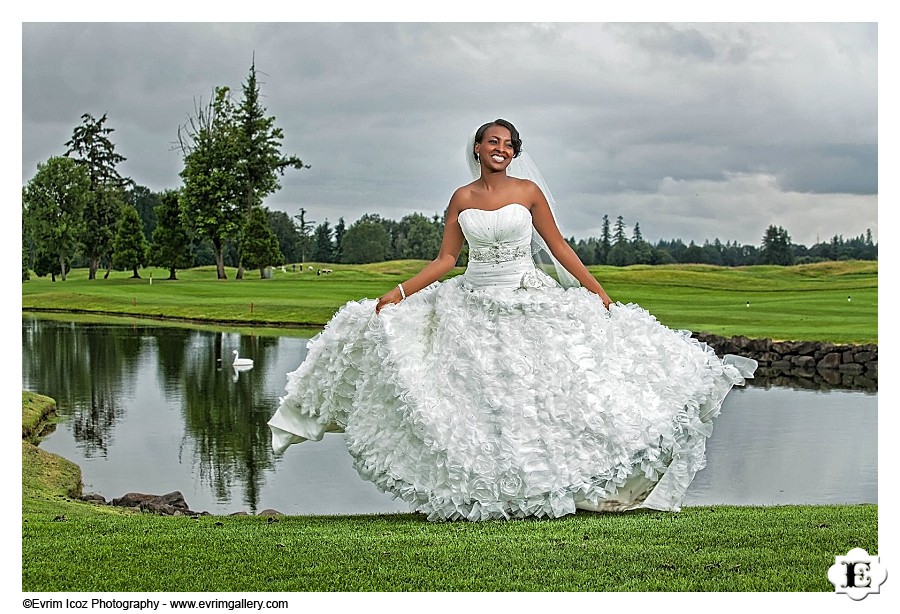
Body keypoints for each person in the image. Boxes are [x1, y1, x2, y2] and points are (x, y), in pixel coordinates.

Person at [268, 119, 756, 521]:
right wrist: (395, 294)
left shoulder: (528, 192)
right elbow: (445, 261)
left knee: (545, 399)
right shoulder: (461, 198)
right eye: (492, 142)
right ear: (477, 148)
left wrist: (600, 294)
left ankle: (562, 484)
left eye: (508, 144)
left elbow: (559, 247)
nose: (500, 149)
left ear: (514, 153)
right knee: (482, 405)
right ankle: (495, 492)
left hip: (527, 300)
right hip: (473, 305)